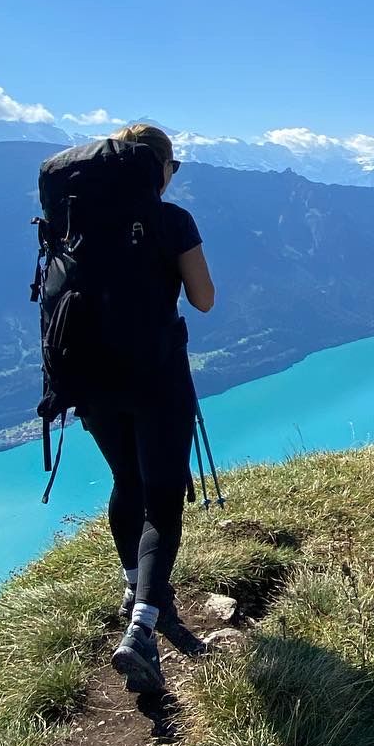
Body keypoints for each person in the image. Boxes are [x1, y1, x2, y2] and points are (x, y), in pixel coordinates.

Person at [82, 122, 215, 696]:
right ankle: (143, 628)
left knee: (125, 485)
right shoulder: (172, 220)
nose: (173, 174)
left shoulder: (76, 217)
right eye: (172, 165)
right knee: (162, 501)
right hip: (157, 379)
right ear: (156, 167)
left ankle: (135, 586)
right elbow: (204, 299)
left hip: (89, 382)